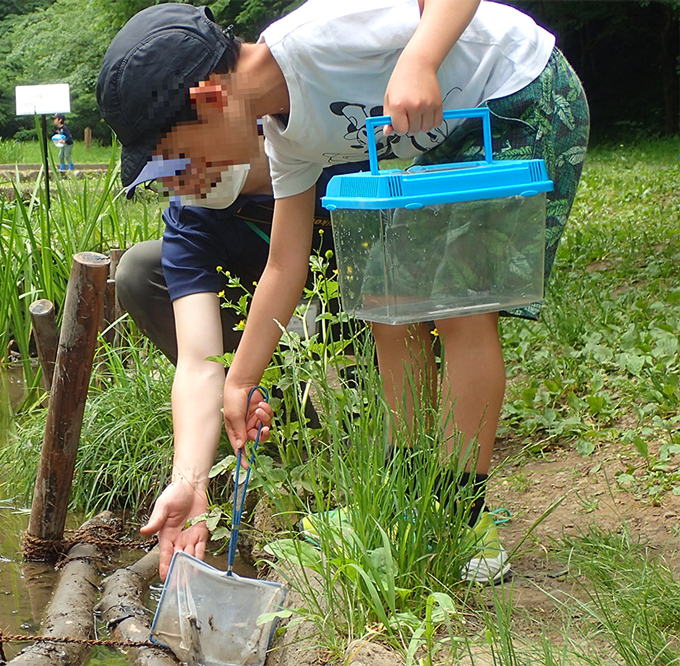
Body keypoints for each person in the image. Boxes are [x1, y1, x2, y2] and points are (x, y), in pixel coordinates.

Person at [97, 0, 589, 583]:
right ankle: (407, 497)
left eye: (175, 154)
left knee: (460, 306)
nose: (179, 175)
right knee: (386, 299)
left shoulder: (314, 37)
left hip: (517, 93)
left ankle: (461, 517)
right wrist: (239, 380)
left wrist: (420, 58)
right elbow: (285, 266)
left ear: (208, 100)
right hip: (450, 131)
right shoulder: (286, 139)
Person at [115, 144, 361, 581]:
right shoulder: (191, 211)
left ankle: (387, 460)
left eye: (179, 171)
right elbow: (199, 362)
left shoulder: (319, 143)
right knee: (139, 268)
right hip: (253, 310)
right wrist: (190, 481)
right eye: (163, 182)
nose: (177, 187)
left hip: (353, 292)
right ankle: (280, 423)